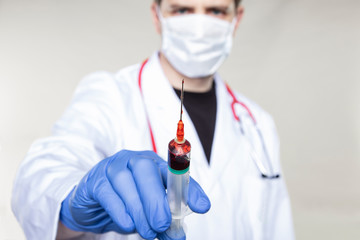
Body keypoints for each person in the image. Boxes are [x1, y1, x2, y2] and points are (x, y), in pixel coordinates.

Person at [12, 0, 295, 239]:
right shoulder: (110, 96)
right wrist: (71, 204)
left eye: (216, 11)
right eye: (182, 10)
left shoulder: (257, 123)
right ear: (157, 16)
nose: (199, 27)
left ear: (237, 19)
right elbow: (42, 173)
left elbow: (278, 227)